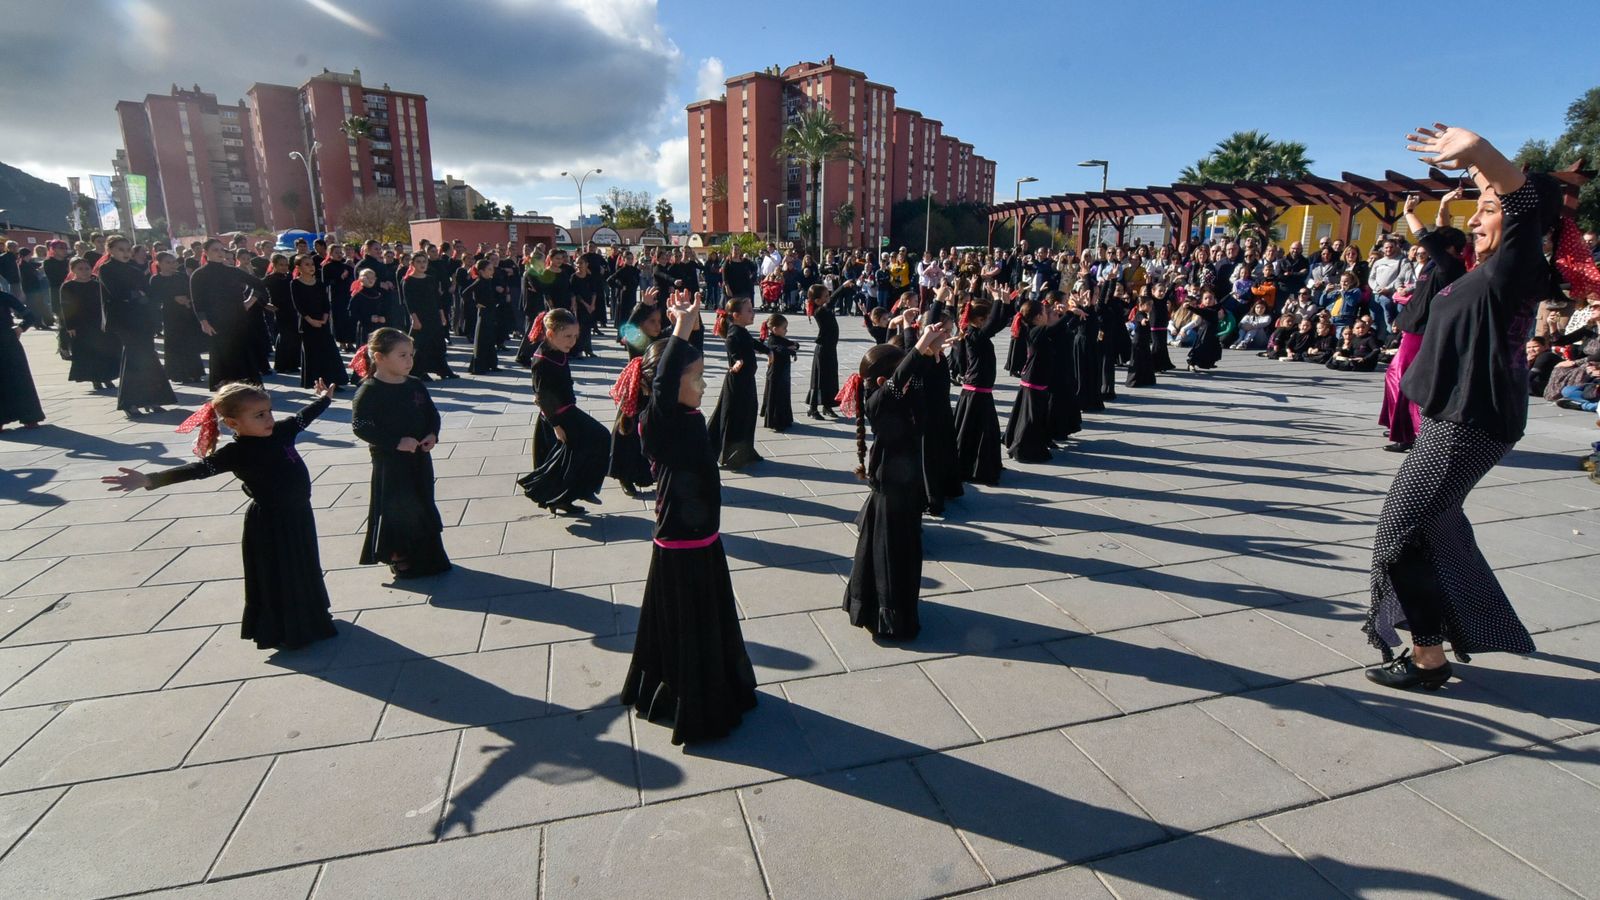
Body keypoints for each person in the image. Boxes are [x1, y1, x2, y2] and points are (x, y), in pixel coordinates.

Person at [1363, 123, 1589, 689]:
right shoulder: (1480, 271)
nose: (1476, 216)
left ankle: (1427, 658)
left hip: (1470, 423)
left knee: (1400, 531)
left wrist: (1482, 151)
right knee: (1438, 532)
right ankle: (1457, 635)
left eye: (1487, 209)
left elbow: (1525, 200)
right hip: (1455, 418)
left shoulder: (1517, 267)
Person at [101, 380, 338, 650]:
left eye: (269, 411)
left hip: (299, 516)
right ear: (233, 423)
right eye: (259, 415)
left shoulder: (281, 432)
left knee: (304, 566)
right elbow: (197, 470)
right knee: (280, 572)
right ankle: (285, 627)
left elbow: (302, 417)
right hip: (271, 523)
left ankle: (312, 615)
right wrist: (150, 479)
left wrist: (323, 399)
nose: (269, 419)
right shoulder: (237, 453)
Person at [620, 291, 758, 745]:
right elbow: (662, 384)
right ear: (665, 382)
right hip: (679, 543)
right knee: (685, 627)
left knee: (711, 623)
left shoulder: (688, 415)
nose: (702, 386)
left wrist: (692, 327)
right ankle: (688, 697)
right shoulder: (657, 422)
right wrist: (679, 330)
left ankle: (720, 684)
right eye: (694, 378)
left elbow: (673, 383)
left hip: (705, 539)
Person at [839, 323, 950, 640]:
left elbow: (924, 384)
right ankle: (886, 616)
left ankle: (897, 606)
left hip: (907, 483)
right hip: (890, 484)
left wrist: (931, 353)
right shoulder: (878, 401)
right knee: (891, 553)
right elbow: (901, 379)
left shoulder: (902, 392)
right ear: (883, 380)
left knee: (905, 550)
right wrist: (916, 350)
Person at [351, 328, 452, 579]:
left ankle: (427, 551)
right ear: (380, 357)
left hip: (419, 457)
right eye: (402, 355)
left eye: (411, 355)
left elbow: (432, 414)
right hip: (390, 462)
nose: (409, 361)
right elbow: (361, 426)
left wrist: (432, 434)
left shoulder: (415, 384)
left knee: (421, 501)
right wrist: (395, 442)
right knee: (396, 507)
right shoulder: (369, 390)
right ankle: (397, 553)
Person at [1382, 188, 1470, 452]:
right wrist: (1443, 203)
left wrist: (1409, 213)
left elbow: (1427, 237)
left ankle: (1412, 434)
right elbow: (1442, 230)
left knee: (1408, 380)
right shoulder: (1439, 263)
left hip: (1424, 331)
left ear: (1450, 249)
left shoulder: (1452, 266)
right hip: (1415, 327)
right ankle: (1402, 426)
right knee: (1395, 375)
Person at [518, 309, 610, 515]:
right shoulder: (542, 360)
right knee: (596, 440)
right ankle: (572, 493)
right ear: (550, 334)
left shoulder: (557, 351)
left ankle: (576, 492)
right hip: (559, 416)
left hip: (567, 410)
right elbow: (542, 396)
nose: (572, 341)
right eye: (567, 336)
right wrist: (556, 426)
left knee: (574, 456)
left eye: (575, 336)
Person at [96, 237, 173, 416]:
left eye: (127, 249)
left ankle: (152, 398)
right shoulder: (106, 269)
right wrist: (137, 295)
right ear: (111, 250)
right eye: (120, 249)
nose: (125, 253)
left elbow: (147, 292)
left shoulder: (135, 270)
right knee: (133, 356)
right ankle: (129, 402)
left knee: (148, 355)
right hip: (123, 320)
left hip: (141, 319)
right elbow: (118, 293)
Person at [608, 296, 663, 498]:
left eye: (659, 321)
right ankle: (624, 476)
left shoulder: (661, 338)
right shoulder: (638, 340)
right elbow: (629, 327)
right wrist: (642, 307)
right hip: (636, 395)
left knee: (649, 436)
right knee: (627, 434)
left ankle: (647, 473)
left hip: (655, 396)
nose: (657, 326)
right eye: (652, 322)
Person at [951, 292, 1007, 485]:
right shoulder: (973, 334)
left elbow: (997, 324)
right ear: (980, 319)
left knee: (985, 430)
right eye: (986, 318)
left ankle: (985, 463)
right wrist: (998, 301)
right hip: (975, 389)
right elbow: (993, 324)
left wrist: (1005, 303)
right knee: (974, 431)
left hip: (981, 389)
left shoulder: (978, 333)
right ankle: (972, 466)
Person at [708, 296, 763, 469]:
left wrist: (767, 350)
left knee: (748, 413)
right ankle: (730, 455)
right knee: (734, 417)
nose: (752, 313)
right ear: (736, 315)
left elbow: (751, 343)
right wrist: (737, 359)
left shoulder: (742, 331)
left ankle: (745, 450)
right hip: (737, 382)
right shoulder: (733, 332)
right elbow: (731, 344)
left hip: (747, 380)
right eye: (749, 310)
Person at [60, 256, 120, 390]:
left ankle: (107, 377)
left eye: (87, 268)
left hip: (99, 322)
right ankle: (95, 379)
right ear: (73, 270)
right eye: (80, 269)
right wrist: (70, 326)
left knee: (103, 350)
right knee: (89, 352)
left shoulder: (97, 284)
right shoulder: (68, 286)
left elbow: (107, 301)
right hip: (81, 324)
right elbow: (66, 307)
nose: (84, 271)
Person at [291, 253, 349, 392]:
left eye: (312, 264)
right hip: (308, 323)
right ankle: (317, 383)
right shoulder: (295, 283)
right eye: (307, 264)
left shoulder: (319, 283)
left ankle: (333, 382)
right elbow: (298, 305)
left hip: (322, 322)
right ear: (298, 267)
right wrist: (311, 320)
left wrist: (324, 317)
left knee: (329, 351)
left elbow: (325, 302)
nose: (311, 267)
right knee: (313, 352)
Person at [150, 252, 205, 384]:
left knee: (190, 343)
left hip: (186, 312)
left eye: (173, 262)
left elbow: (190, 291)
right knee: (175, 343)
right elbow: (155, 297)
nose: (171, 265)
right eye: (167, 262)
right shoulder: (156, 279)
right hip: (171, 314)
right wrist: (173, 299)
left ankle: (195, 372)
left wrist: (187, 300)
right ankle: (179, 373)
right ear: (159, 264)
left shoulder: (181, 276)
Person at [0, 288, 44, 429]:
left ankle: (30, 416)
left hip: (8, 342)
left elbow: (29, 316)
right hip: (8, 341)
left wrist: (20, 328)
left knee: (19, 379)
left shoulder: (4, 297)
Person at [402, 257, 452, 380]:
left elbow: (437, 298)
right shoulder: (408, 281)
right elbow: (409, 302)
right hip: (419, 316)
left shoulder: (430, 279)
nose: (422, 264)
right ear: (412, 264)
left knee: (438, 343)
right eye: (418, 262)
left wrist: (442, 315)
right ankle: (418, 372)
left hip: (433, 315)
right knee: (420, 344)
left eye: (424, 262)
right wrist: (414, 319)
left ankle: (442, 370)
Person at [804, 283, 840, 419]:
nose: (828, 297)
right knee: (819, 379)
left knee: (830, 377)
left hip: (831, 348)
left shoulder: (824, 308)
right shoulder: (819, 311)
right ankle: (813, 409)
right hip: (823, 350)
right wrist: (843, 287)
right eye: (826, 296)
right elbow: (833, 301)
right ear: (818, 301)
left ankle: (827, 406)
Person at [759, 313, 798, 432]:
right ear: (775, 329)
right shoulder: (772, 340)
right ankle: (775, 421)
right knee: (776, 397)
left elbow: (793, 345)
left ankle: (785, 419)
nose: (786, 330)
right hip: (776, 374)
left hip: (783, 374)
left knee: (784, 395)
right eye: (784, 328)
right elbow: (778, 349)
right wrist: (789, 349)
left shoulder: (781, 339)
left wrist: (794, 346)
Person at [263, 255, 301, 375]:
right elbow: (257, 292)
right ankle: (281, 365)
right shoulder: (269, 279)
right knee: (284, 336)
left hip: (293, 310)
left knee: (294, 336)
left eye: (286, 265)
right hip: (280, 311)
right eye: (281, 265)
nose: (284, 267)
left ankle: (293, 364)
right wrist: (266, 305)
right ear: (274, 265)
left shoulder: (290, 277)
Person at [463, 260, 500, 375]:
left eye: (492, 268)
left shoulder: (488, 281)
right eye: (489, 269)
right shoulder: (479, 281)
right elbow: (465, 293)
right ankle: (478, 367)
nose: (492, 271)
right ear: (481, 271)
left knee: (490, 339)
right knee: (482, 340)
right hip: (483, 313)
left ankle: (491, 364)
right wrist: (475, 304)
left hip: (490, 311)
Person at [1184, 288, 1223, 372]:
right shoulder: (1204, 310)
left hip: (1212, 333)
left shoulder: (1215, 308)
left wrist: (1231, 294)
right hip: (1204, 332)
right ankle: (1191, 364)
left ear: (1214, 300)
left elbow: (1222, 302)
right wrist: (1189, 307)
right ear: (1202, 300)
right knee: (1199, 348)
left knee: (1211, 348)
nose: (1208, 300)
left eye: (1210, 298)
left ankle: (1206, 363)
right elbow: (1197, 310)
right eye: (1206, 298)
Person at [1126, 293, 1157, 387]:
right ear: (1141, 305)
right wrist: (1143, 320)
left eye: (1151, 305)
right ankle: (1133, 381)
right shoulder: (1139, 314)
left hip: (1145, 342)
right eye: (1148, 305)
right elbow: (1139, 318)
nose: (1150, 307)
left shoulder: (1146, 314)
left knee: (1146, 361)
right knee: (1136, 362)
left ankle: (1146, 379)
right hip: (1138, 342)